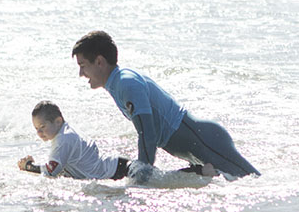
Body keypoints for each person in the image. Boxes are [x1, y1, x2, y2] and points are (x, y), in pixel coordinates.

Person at [71, 31, 260, 183]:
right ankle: (205, 171)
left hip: (207, 142)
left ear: (99, 62)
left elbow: (148, 134)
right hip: (197, 149)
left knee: (255, 184)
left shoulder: (126, 83)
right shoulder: (117, 83)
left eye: (83, 66)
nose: (81, 73)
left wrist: (140, 178)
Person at [17, 101, 214, 180]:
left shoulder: (63, 140)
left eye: (42, 127)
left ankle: (203, 169)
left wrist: (29, 166)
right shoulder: (64, 133)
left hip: (117, 172)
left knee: (161, 181)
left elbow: (51, 172)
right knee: (159, 178)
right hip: (117, 166)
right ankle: (202, 168)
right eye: (36, 129)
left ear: (58, 121)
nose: (39, 133)